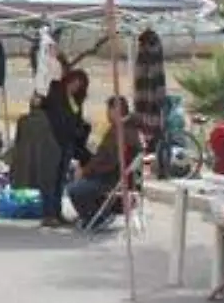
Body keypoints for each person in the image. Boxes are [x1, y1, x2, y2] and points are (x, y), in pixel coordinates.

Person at [67, 95, 145, 230]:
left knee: (74, 188)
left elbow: (108, 161)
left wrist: (86, 171)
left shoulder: (120, 132)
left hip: (112, 179)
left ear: (116, 110)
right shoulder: (130, 129)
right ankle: (96, 213)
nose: (106, 115)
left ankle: (95, 217)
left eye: (108, 111)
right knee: (76, 172)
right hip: (122, 178)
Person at [39, 69, 92, 228]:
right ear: (69, 79)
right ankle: (48, 214)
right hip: (53, 140)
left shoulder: (75, 99)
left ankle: (57, 212)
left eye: (80, 85)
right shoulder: (55, 92)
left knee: (60, 180)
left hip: (68, 142)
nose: (76, 86)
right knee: (51, 178)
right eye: (75, 82)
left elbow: (75, 118)